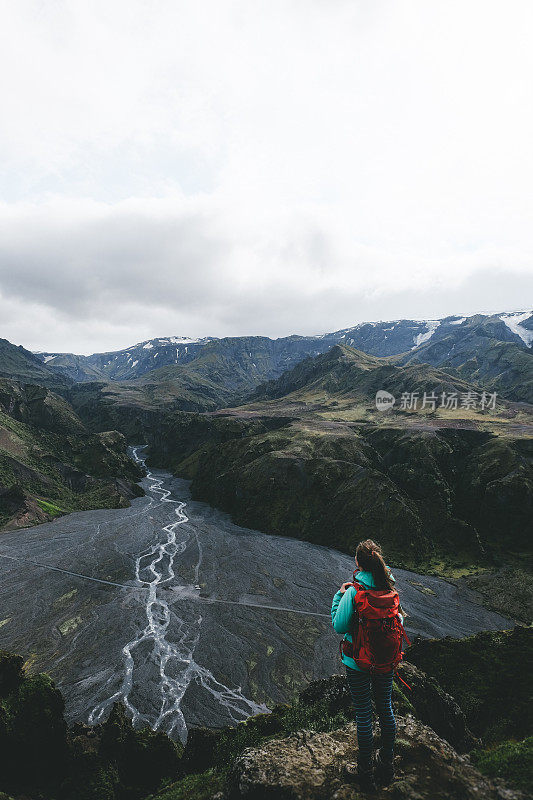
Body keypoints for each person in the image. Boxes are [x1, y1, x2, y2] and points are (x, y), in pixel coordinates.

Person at [331, 539, 403, 791]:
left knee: (363, 713)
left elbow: (339, 626)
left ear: (359, 563)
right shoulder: (389, 586)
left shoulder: (354, 591)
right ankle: (386, 766)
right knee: (386, 708)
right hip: (386, 662)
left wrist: (339, 595)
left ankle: (365, 773)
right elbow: (400, 621)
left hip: (358, 662)